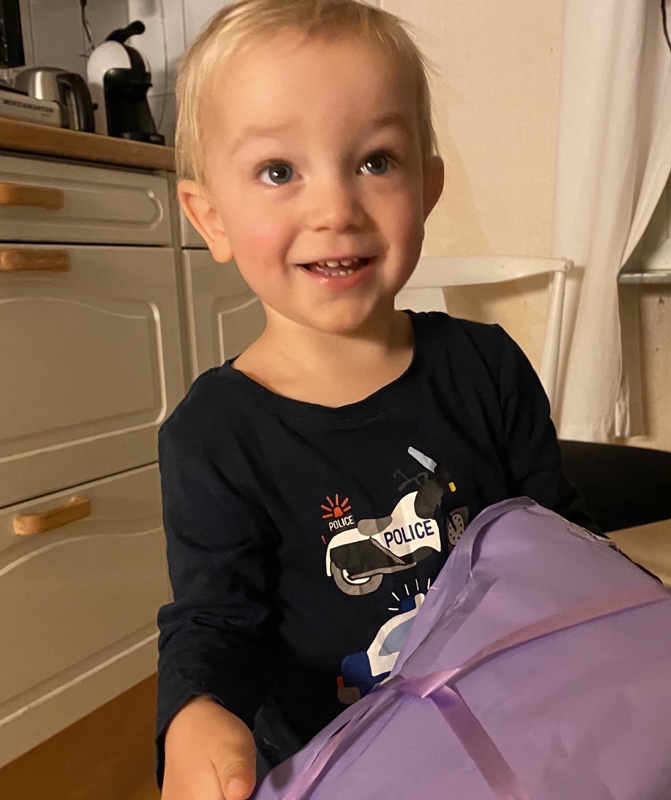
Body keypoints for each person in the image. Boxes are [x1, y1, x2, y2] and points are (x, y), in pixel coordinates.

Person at [156, 1, 597, 798]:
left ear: (427, 187)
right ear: (211, 218)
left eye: (376, 161)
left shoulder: (485, 366)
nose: (336, 210)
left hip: (511, 741)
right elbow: (216, 622)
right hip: (339, 770)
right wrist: (198, 712)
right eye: (279, 171)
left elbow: (558, 543)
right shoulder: (214, 434)